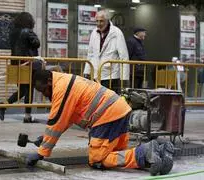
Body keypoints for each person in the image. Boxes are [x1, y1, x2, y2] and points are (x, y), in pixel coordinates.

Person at [26, 69, 175, 176]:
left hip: (106, 116)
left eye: (43, 90)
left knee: (97, 160)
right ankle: (158, 154)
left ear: (49, 81)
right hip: (119, 110)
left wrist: (41, 153)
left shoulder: (61, 89)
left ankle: (146, 152)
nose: (44, 95)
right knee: (117, 155)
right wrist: (45, 139)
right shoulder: (65, 81)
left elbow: (56, 122)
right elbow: (66, 119)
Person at [0, 12, 41, 123]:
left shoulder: (12, 33)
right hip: (27, 64)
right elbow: (37, 43)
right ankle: (27, 116)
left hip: (15, 64)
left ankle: (4, 105)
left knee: (22, 90)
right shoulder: (27, 31)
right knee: (29, 90)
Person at [83, 9, 129, 94]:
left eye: (101, 21)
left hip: (111, 75)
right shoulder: (94, 32)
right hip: (96, 74)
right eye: (97, 21)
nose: (98, 24)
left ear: (107, 20)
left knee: (109, 102)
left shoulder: (116, 33)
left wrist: (124, 79)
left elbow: (124, 56)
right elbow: (90, 54)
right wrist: (86, 72)